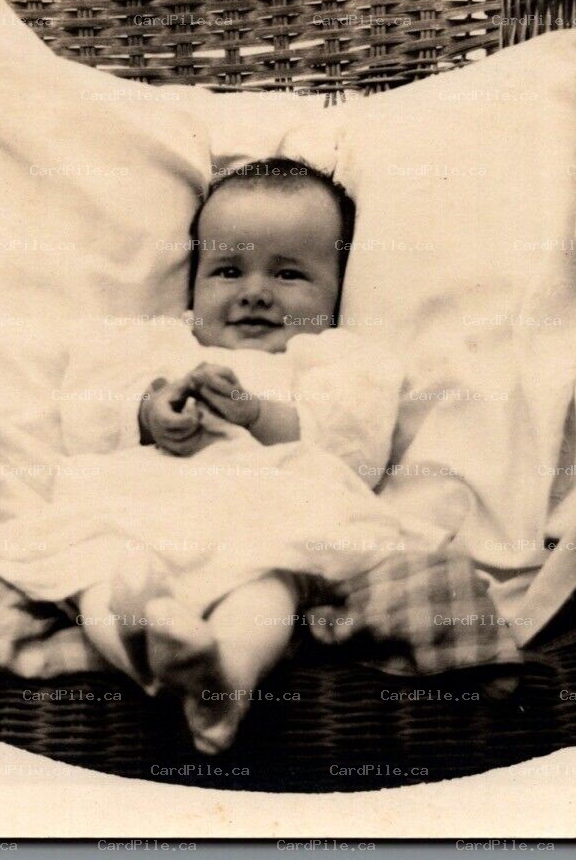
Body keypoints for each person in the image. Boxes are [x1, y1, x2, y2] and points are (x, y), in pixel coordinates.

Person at [51, 158, 413, 754]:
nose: (254, 293)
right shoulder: (159, 346)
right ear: (194, 281)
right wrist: (148, 411)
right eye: (227, 270)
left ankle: (226, 681)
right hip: (140, 513)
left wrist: (256, 415)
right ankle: (150, 653)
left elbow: (352, 447)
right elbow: (86, 415)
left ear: (337, 289)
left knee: (267, 585)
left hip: (263, 520)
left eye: (289, 273)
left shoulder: (330, 360)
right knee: (94, 570)